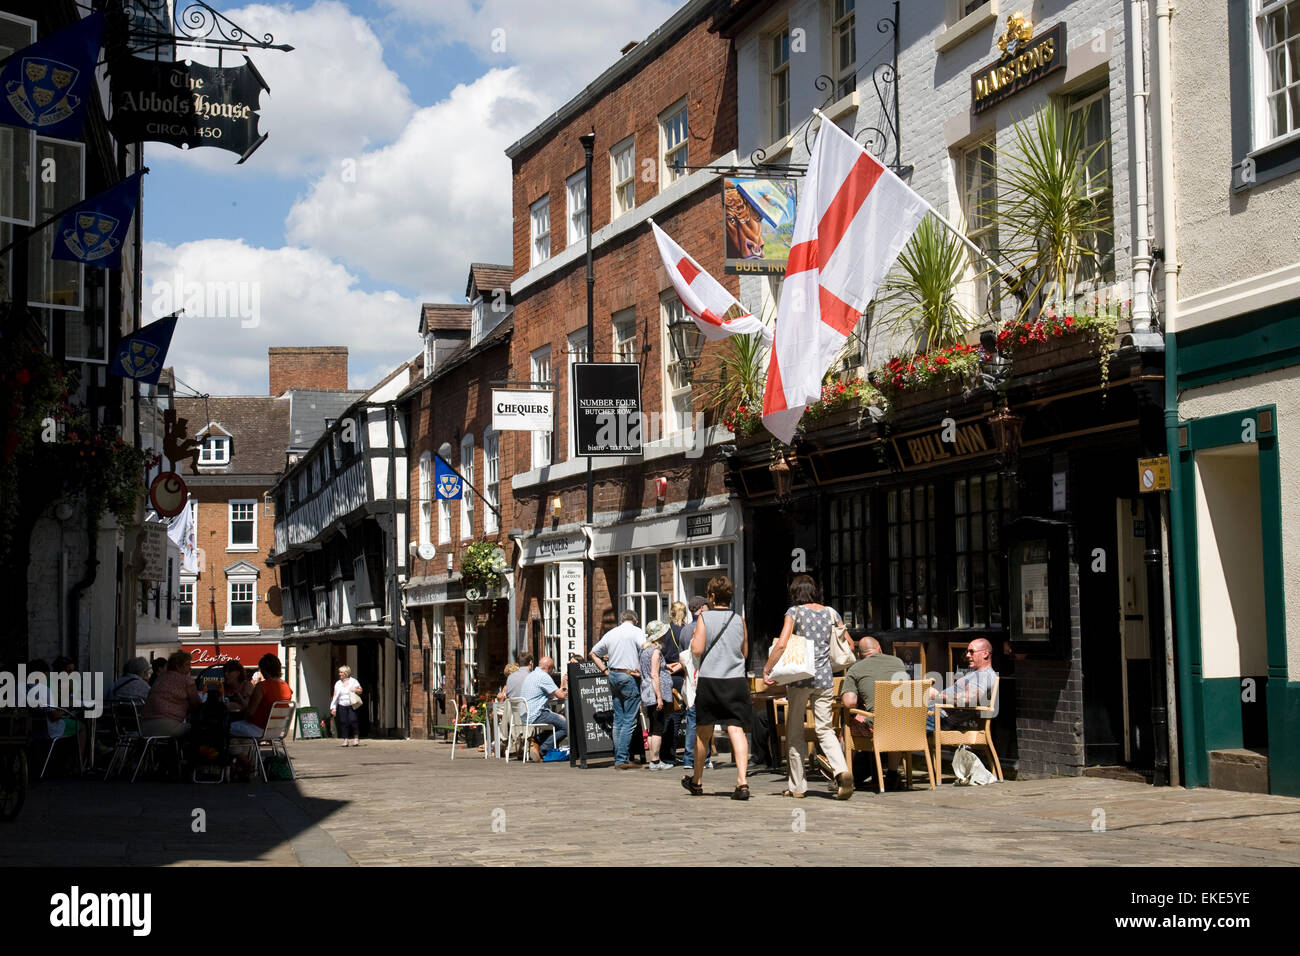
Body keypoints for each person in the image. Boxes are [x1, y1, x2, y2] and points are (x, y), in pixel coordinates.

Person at [763, 574, 854, 800]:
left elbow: (783, 643)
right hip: (824, 679)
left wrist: (768, 668)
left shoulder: (794, 612)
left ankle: (797, 786)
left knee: (794, 732)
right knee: (825, 729)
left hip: (800, 678)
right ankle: (841, 770)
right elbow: (849, 644)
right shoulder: (832, 613)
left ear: (795, 593)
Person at [683, 575, 752, 800]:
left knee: (703, 732)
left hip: (711, 679)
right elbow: (745, 653)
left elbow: (697, 649)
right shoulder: (739, 619)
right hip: (735, 680)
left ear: (712, 597)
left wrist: (694, 640)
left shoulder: (704, 618)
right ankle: (742, 782)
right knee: (736, 729)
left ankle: (697, 780)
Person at [840, 636, 908, 791]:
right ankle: (892, 774)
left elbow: (849, 702)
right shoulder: (898, 662)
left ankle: (845, 775)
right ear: (880, 649)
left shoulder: (855, 669)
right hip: (904, 724)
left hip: (876, 726)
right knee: (893, 720)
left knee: (847, 726)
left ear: (859, 655)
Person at [589, 610, 647, 770]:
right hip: (629, 676)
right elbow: (646, 648)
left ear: (621, 620)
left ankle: (618, 757)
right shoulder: (636, 632)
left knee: (619, 719)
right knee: (629, 720)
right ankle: (621, 759)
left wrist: (605, 671)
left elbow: (593, 653)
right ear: (635, 621)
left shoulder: (611, 633)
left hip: (613, 675)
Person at [927, 638, 997, 731]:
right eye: (967, 652)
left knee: (903, 721)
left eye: (971, 652)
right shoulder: (978, 674)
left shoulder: (983, 675)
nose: (967, 655)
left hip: (939, 719)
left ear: (985, 654)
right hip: (935, 715)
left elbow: (968, 699)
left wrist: (937, 696)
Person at [231, 654, 293, 740]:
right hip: (277, 730)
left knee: (225, 727)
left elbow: (250, 712)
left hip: (258, 728)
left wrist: (241, 700)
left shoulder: (262, 686)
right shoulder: (287, 687)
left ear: (264, 670)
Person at [639, 621, 675, 770]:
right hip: (654, 692)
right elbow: (654, 674)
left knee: (653, 726)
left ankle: (653, 760)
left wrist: (665, 666)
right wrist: (659, 697)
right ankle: (655, 760)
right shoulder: (655, 651)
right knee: (658, 727)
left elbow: (645, 669)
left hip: (646, 691)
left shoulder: (644, 650)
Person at [141, 650, 202, 739]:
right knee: (198, 730)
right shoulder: (186, 680)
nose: (190, 668)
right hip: (168, 727)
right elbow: (196, 705)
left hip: (144, 727)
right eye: (187, 665)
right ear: (178, 666)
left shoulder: (160, 678)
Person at [519, 656, 568, 760]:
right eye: (553, 668)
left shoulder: (531, 675)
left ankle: (536, 740)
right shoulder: (544, 676)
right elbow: (561, 696)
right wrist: (565, 685)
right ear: (548, 668)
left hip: (524, 715)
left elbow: (549, 694)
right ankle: (542, 748)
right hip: (537, 714)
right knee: (566, 726)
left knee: (559, 723)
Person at [661, 603, 689, 765]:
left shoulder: (666, 631)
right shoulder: (686, 630)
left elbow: (660, 653)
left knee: (669, 715)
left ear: (670, 613)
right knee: (678, 715)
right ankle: (670, 754)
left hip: (667, 674)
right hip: (682, 675)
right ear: (684, 614)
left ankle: (667, 753)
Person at [330, 665, 362, 747]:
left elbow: (360, 690)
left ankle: (356, 738)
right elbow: (335, 696)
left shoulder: (353, 681)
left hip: (352, 704)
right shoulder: (338, 683)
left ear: (346, 673)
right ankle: (345, 740)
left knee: (353, 720)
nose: (339, 674)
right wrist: (333, 707)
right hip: (341, 705)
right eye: (339, 672)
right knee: (343, 722)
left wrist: (354, 689)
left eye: (341, 672)